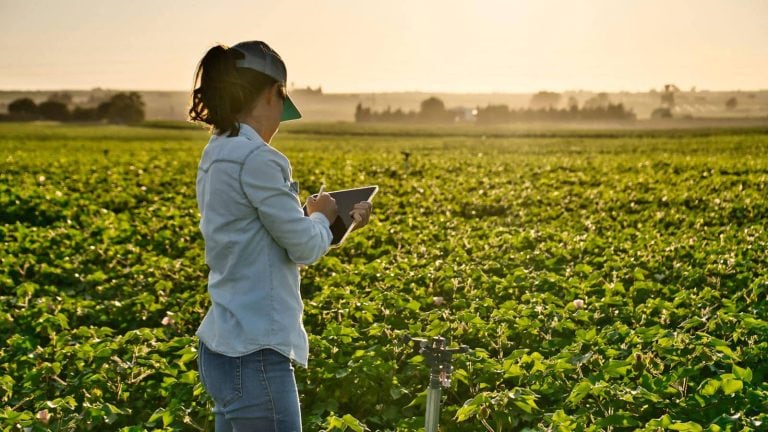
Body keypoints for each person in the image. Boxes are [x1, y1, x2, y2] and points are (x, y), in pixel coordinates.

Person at [188, 41, 372, 432]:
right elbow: (304, 246)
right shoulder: (261, 159)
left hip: (222, 346)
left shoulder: (216, 151)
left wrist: (314, 220)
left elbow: (266, 239)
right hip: (254, 353)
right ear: (274, 93)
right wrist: (321, 218)